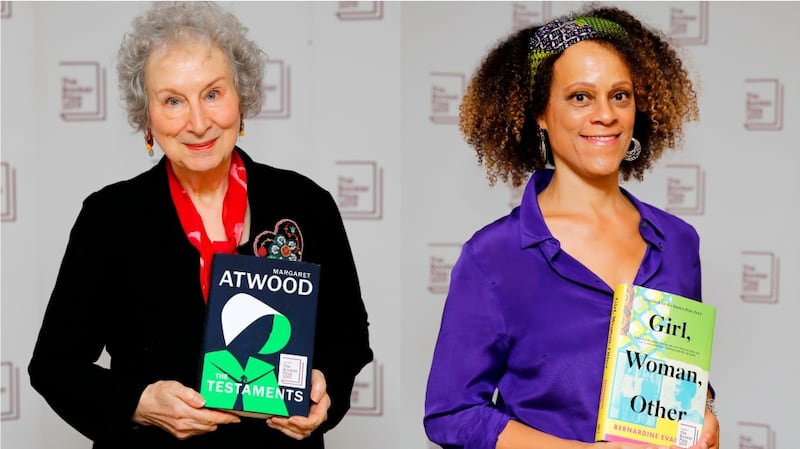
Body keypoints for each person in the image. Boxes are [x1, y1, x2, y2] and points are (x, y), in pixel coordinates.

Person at [28, 2, 372, 448]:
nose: (198, 122)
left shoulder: (306, 204)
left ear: (241, 96)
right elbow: (54, 367)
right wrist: (138, 400)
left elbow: (348, 336)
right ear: (147, 115)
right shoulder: (109, 218)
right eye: (173, 100)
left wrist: (328, 388)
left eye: (212, 94)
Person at [423, 6, 719, 449]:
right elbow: (453, 414)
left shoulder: (678, 242)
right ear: (540, 113)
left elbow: (678, 376)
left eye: (620, 95)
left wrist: (706, 412)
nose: (606, 114)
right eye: (581, 97)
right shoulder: (494, 257)